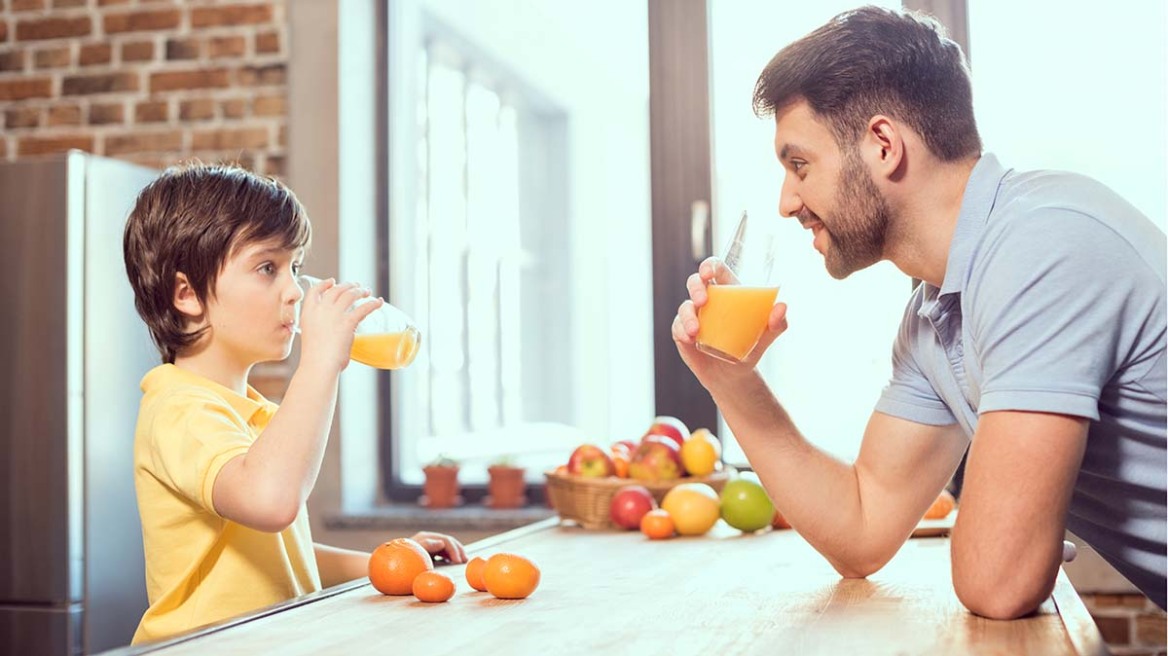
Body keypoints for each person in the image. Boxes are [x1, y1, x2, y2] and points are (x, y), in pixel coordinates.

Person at [673, 6, 1166, 618]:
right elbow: (862, 527)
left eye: (800, 165)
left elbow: (999, 582)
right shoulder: (935, 315)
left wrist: (1011, 539)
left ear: (883, 145)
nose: (787, 202)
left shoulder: (1041, 246)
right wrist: (730, 380)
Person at [123, 163, 467, 643]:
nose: (294, 292)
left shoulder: (250, 412)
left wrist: (388, 561)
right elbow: (273, 502)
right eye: (268, 268)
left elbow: (278, 557)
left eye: (295, 268)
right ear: (187, 294)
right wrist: (321, 362)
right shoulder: (179, 409)